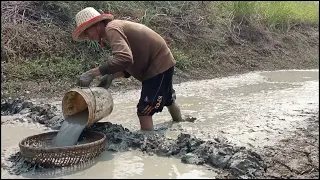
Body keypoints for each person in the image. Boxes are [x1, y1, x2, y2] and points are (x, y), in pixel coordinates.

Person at [73, 7, 183, 131]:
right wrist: (111, 76)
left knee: (144, 111)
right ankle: (180, 124)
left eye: (87, 33)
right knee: (168, 98)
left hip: (157, 65)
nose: (88, 37)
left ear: (96, 25)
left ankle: (149, 143)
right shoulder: (114, 28)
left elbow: (125, 58)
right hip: (161, 61)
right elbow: (129, 60)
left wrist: (93, 73)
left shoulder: (111, 29)